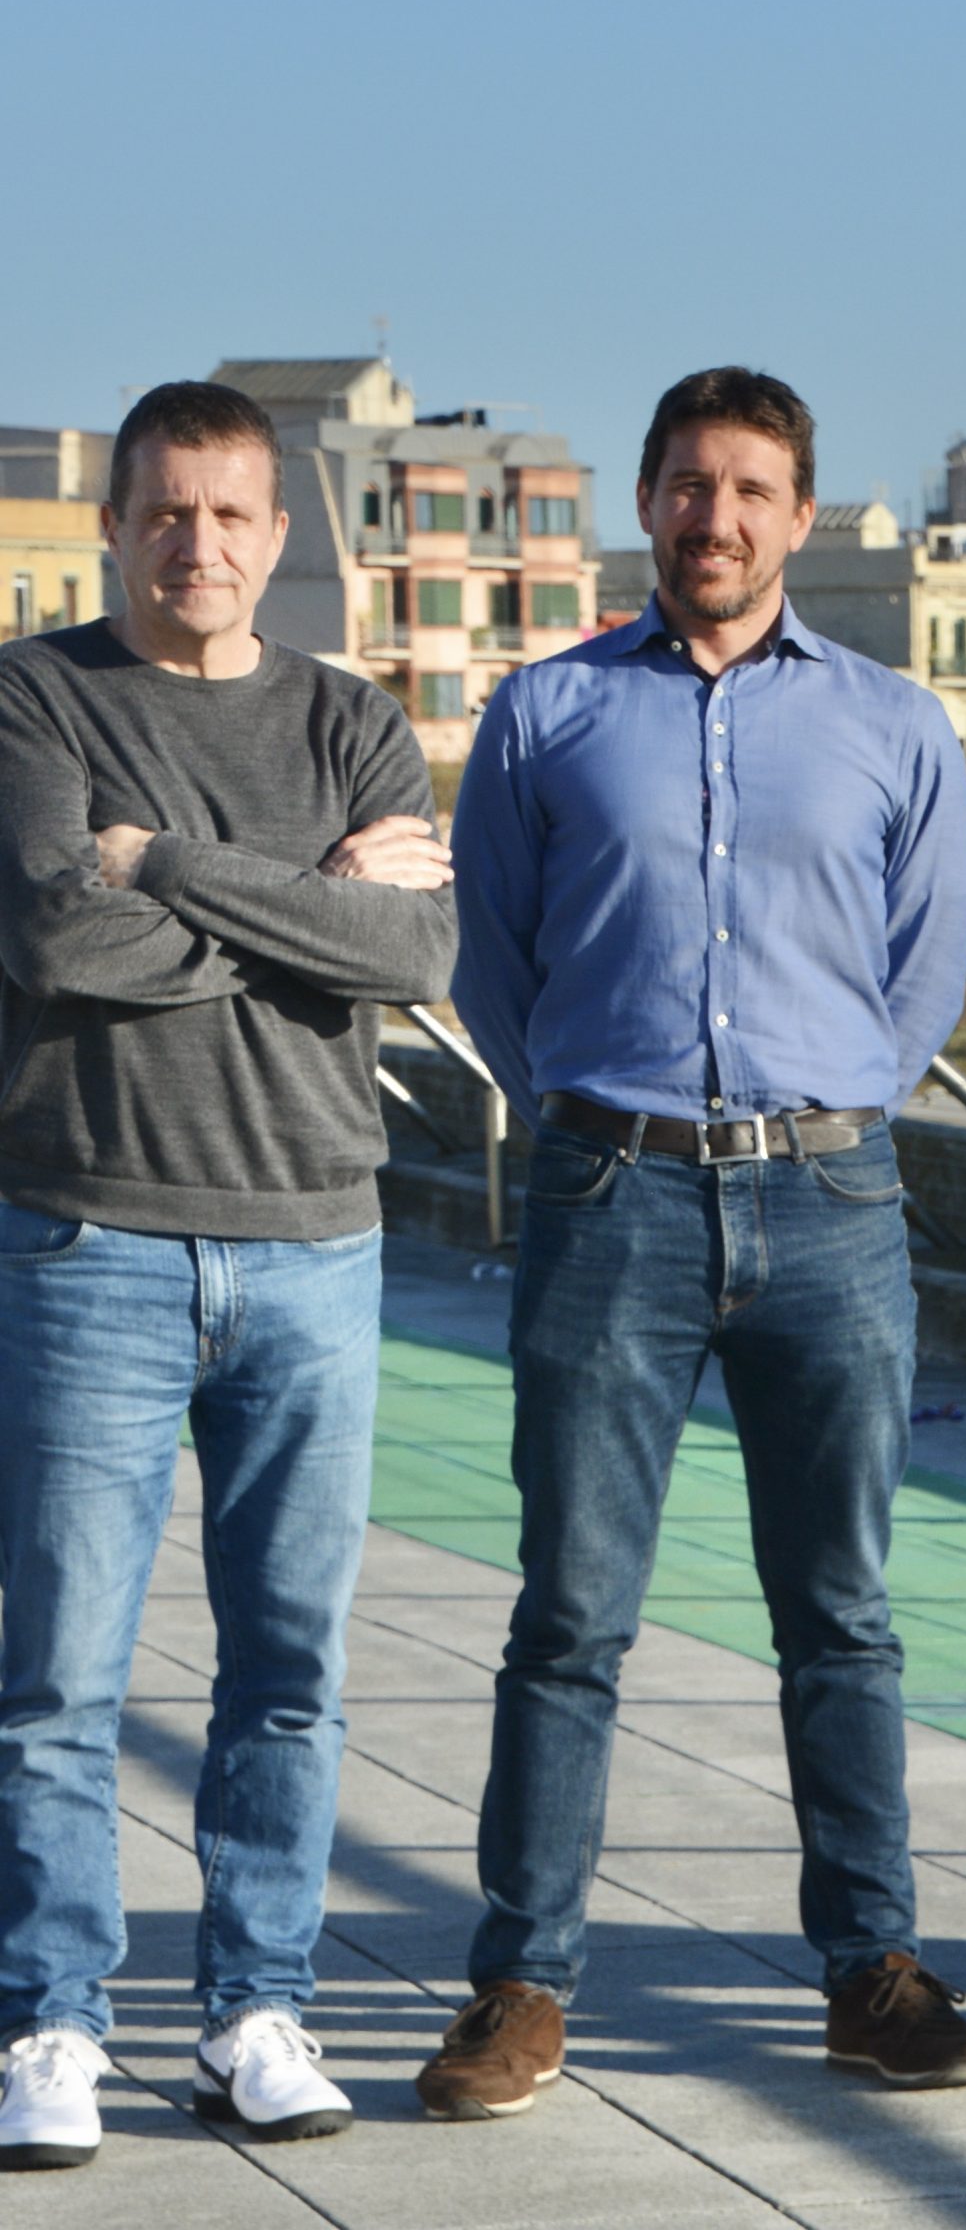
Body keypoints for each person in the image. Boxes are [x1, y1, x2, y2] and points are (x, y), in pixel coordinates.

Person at [423, 367, 966, 2119]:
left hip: (831, 1202)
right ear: (646, 503)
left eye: (749, 490)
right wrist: (600, 1120)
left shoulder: (896, 725)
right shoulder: (547, 713)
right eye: (686, 485)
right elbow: (494, 966)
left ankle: (872, 1970)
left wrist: (822, 1115)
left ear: (801, 516)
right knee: (570, 1614)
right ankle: (522, 1984)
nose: (714, 519)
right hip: (614, 1197)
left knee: (843, 1615)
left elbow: (922, 978)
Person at [0, 382, 456, 2168]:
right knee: (59, 1679)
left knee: (288, 1668)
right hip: (86, 1237)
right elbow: (57, 938)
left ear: (279, 535)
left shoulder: (353, 717)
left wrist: (171, 865)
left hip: (316, 1252)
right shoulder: (36, 698)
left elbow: (413, 950)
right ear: (116, 525)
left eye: (232, 515)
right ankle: (49, 2021)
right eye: (166, 512)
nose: (198, 544)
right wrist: (303, 908)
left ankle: (256, 2010)